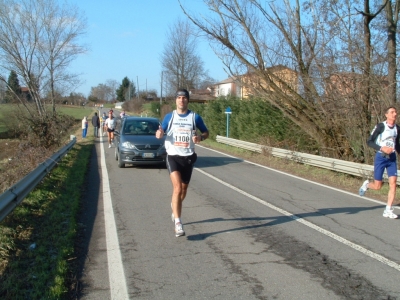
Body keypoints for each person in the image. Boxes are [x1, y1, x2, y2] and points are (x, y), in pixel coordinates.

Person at [156, 88, 209, 237]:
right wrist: (159, 133)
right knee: (177, 188)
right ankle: (178, 223)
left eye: (184, 98)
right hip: (173, 156)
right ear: (175, 100)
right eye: (179, 97)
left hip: (188, 157)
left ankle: (174, 207)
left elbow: (206, 132)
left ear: (188, 100)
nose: (181, 100)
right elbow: (160, 131)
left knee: (183, 191)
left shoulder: (194, 117)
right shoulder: (169, 117)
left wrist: (200, 138)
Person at [359, 106, 400, 219]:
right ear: (386, 115)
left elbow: (397, 145)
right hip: (381, 157)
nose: (395, 114)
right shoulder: (381, 126)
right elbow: (369, 141)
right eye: (392, 112)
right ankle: (367, 185)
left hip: (391, 158)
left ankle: (388, 210)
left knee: (393, 184)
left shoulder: (397, 128)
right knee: (378, 186)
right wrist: (382, 148)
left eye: (395, 112)